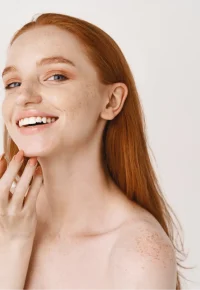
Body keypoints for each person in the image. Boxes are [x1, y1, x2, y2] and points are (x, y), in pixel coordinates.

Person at [0, 13, 185, 290]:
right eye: (13, 83)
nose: (25, 96)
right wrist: (13, 246)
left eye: (56, 76)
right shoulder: (6, 223)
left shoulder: (139, 254)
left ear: (111, 101)